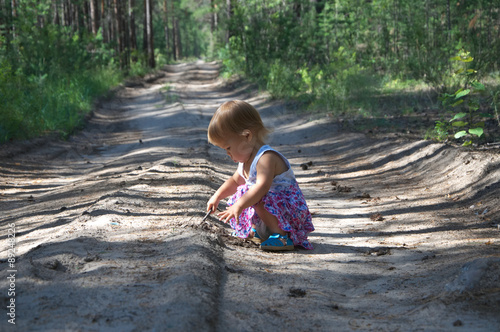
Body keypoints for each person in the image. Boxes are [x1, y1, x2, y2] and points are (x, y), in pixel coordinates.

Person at [206, 100, 314, 251]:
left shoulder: (266, 158)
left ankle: (281, 236)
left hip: (289, 214)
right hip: (273, 212)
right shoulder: (245, 161)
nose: (228, 154)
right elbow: (235, 181)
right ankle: (259, 231)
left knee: (255, 196)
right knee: (244, 192)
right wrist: (217, 197)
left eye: (228, 148)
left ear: (247, 136)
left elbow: (262, 187)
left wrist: (239, 205)